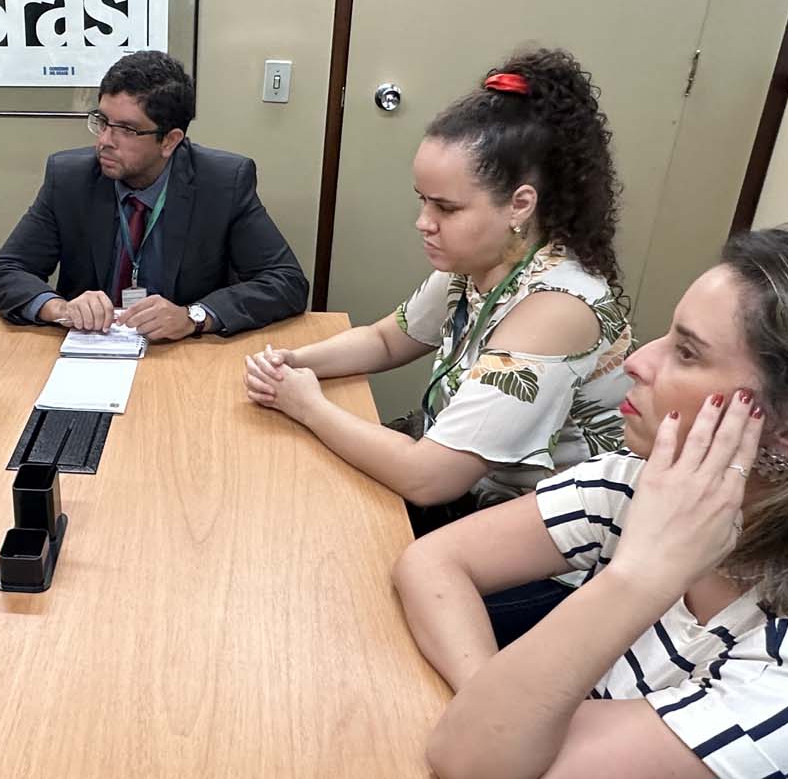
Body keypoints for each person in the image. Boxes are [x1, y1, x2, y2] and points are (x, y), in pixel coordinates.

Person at [395, 219, 788, 778]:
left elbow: (471, 759)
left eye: (687, 352)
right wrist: (491, 701)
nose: (638, 360)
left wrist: (638, 577)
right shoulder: (649, 477)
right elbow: (432, 561)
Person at [243, 49, 632, 641]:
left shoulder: (557, 308)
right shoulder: (481, 262)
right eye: (422, 200)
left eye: (446, 207)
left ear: (520, 204)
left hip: (553, 563)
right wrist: (293, 363)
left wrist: (307, 404)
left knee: (345, 611)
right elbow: (387, 339)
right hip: (477, 509)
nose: (424, 221)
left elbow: (431, 477)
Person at [0, 50, 308, 340]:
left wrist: (193, 317)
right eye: (102, 121)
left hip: (181, 354)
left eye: (126, 130)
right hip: (91, 347)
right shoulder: (69, 178)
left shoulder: (223, 183)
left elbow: (286, 281)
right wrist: (60, 308)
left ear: (170, 141)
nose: (105, 141)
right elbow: (5, 271)